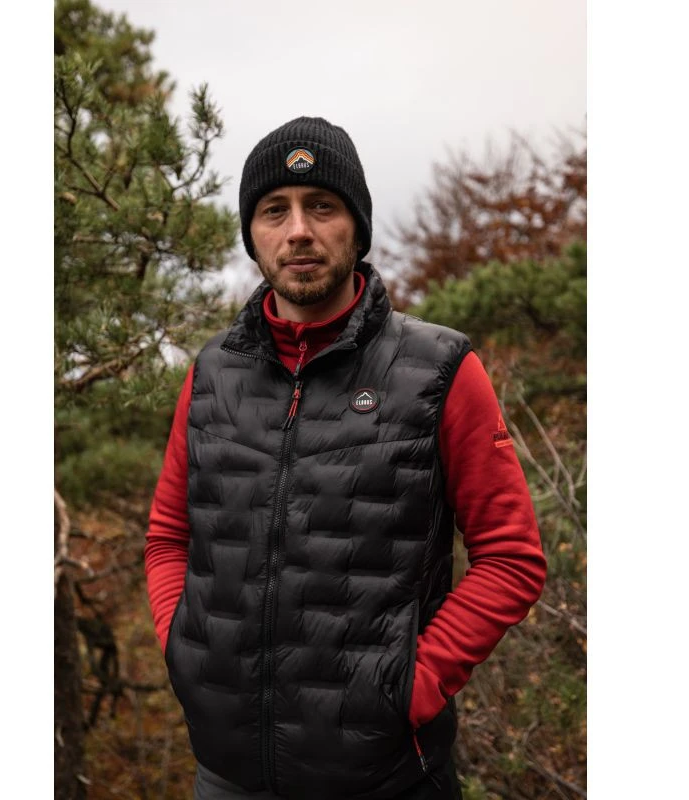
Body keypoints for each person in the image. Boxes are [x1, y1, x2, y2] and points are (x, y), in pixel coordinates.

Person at [144, 117, 547, 800]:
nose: (298, 230)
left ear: (358, 228)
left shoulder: (441, 370)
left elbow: (511, 558)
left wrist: (411, 686)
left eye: (322, 206)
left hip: (384, 778)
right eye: (275, 210)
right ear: (252, 234)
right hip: (226, 774)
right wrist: (184, 650)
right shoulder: (211, 372)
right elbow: (167, 536)